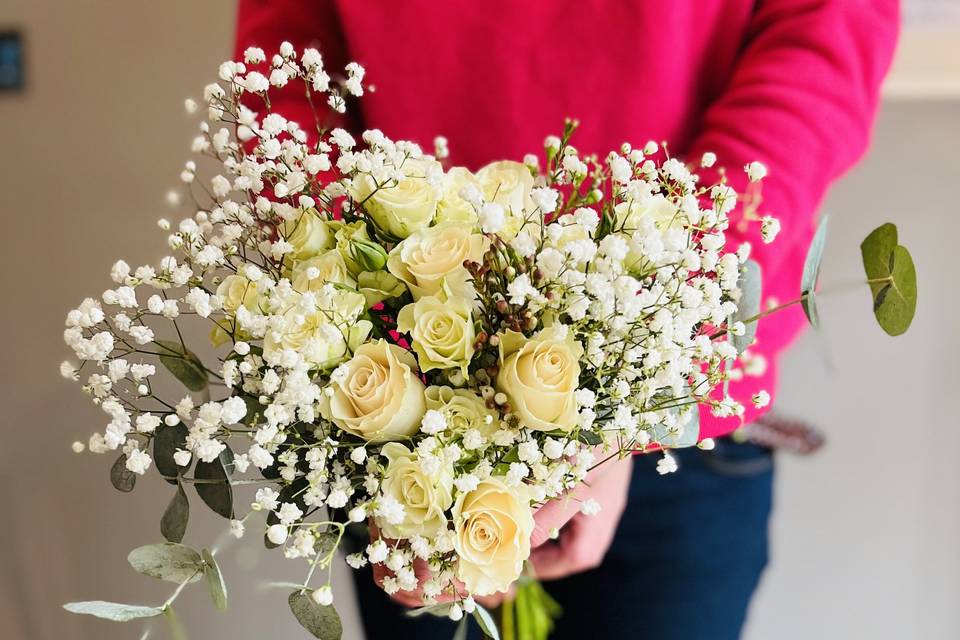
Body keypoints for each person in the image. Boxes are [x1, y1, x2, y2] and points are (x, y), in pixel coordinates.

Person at [235, 2, 899, 638]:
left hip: (678, 418)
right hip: (400, 407)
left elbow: (822, 44)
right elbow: (287, 63)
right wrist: (344, 282)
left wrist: (630, 396)